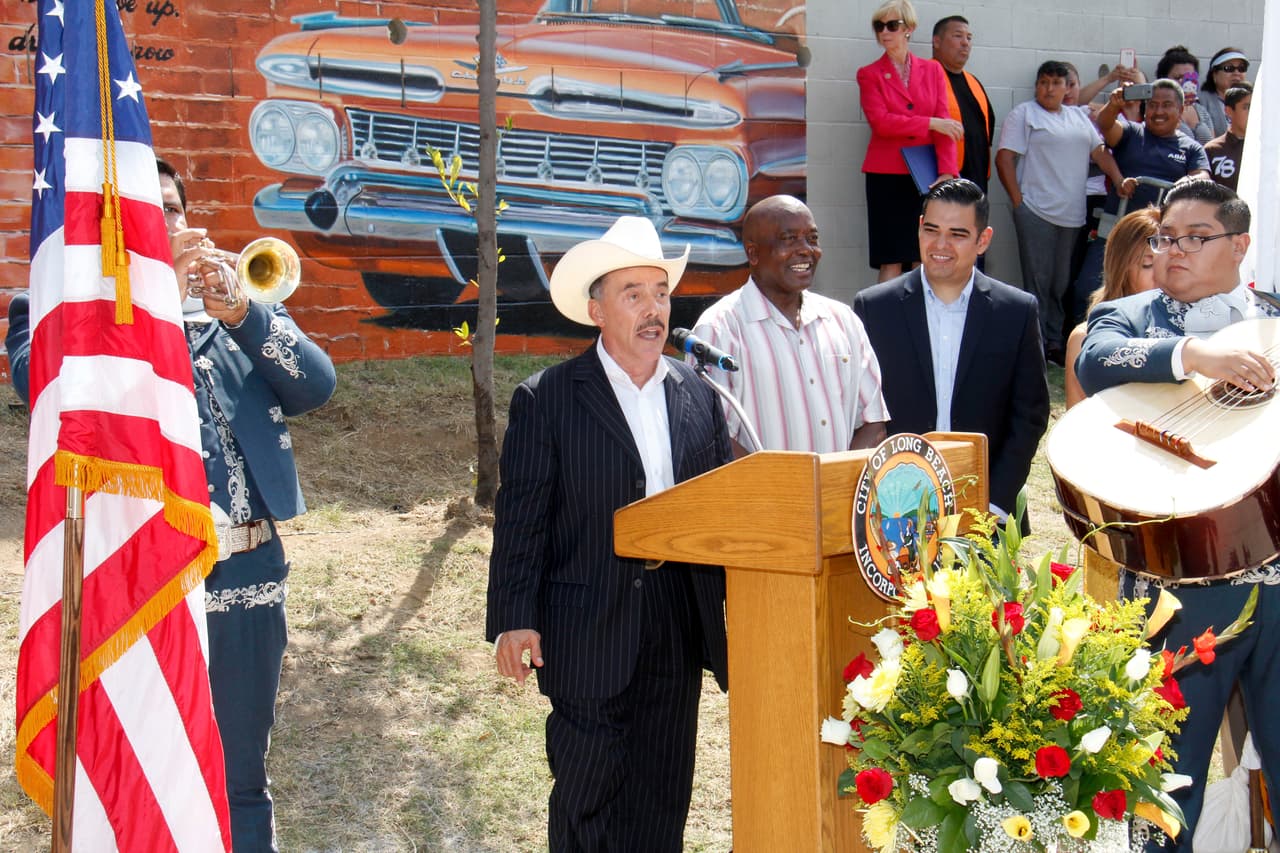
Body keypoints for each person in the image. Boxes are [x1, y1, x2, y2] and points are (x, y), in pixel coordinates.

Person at [6, 157, 337, 851]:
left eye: (174, 210)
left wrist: (245, 314)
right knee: (141, 777)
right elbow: (47, 388)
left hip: (245, 577)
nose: (170, 226)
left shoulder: (232, 308)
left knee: (241, 778)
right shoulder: (55, 309)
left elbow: (315, 385)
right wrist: (146, 302)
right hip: (136, 587)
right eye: (144, 216)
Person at [485, 216, 731, 852]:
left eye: (660, 292)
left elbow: (720, 510)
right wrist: (516, 618)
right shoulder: (549, 398)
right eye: (634, 294)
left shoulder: (698, 394)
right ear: (596, 309)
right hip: (586, 626)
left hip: (677, 621)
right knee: (588, 797)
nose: (654, 310)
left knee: (662, 795)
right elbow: (522, 521)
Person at [1075, 180, 1280, 848]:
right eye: (1167, 237)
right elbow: (1094, 360)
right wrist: (1195, 355)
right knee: (1166, 779)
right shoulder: (1130, 316)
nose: (1176, 251)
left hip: (1277, 577)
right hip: (1178, 587)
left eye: (1198, 237)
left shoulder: (1274, 324)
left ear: (1241, 245)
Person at [852, 179, 1049, 531]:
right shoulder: (874, 308)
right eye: (932, 230)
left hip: (987, 515)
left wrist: (995, 506)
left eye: (957, 234)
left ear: (983, 240)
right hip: (894, 513)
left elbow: (1029, 416)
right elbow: (861, 414)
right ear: (918, 229)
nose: (940, 245)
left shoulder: (1015, 311)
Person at [690, 195, 889, 455]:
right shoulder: (718, 329)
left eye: (812, 238)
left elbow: (874, 423)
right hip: (763, 495)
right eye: (789, 239)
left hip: (837, 494)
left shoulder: (844, 321)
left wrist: (834, 483)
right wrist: (785, 489)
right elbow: (713, 438)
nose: (806, 249)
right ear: (753, 253)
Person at [995, 60, 1128, 364]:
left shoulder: (1078, 118)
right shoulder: (1025, 114)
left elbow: (1100, 153)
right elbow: (1004, 159)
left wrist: (1119, 179)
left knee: (1060, 283)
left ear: (1068, 87)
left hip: (1072, 215)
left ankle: (1054, 342)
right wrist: (1019, 203)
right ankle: (1036, 346)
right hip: (1036, 211)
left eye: (1056, 83)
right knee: (1038, 282)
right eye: (1043, 82)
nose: (1049, 89)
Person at [1072, 79, 1210, 314]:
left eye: (1166, 105)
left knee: (1148, 295)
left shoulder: (1191, 147)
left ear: (1180, 110)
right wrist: (1115, 104)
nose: (1158, 111)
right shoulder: (1133, 133)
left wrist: (1178, 187)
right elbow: (1106, 124)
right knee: (1087, 290)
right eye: (1153, 105)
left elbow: (1202, 177)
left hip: (1160, 241)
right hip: (1116, 232)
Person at [857, 0, 961, 282]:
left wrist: (947, 172)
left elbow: (946, 125)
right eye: (879, 26)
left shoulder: (933, 70)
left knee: (922, 257)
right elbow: (881, 122)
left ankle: (917, 323)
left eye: (892, 25)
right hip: (886, 176)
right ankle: (880, 323)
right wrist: (929, 123)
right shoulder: (869, 74)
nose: (885, 32)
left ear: (909, 29)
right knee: (890, 259)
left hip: (925, 177)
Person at [1063, 207, 1160, 408]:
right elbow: (1078, 423)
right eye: (1148, 265)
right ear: (1121, 269)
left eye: (1169, 264)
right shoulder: (1085, 337)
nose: (1161, 275)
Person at [931, 15, 994, 193]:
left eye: (969, 37)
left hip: (976, 185)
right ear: (936, 41)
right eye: (958, 36)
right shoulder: (922, 78)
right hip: (939, 184)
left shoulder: (975, 83)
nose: (965, 43)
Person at [1155, 45, 1215, 144]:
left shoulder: (1201, 110)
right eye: (1178, 78)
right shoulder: (1157, 110)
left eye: (1190, 78)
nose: (1185, 83)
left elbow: (1213, 146)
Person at [1204, 82, 1252, 192]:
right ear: (1229, 111)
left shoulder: (1270, 150)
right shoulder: (1212, 150)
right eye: (1247, 107)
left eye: (1256, 107)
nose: (1253, 112)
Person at [1199, 48, 1250, 139]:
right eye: (1229, 68)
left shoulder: (1255, 100)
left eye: (1241, 68)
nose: (1236, 73)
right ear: (1214, 74)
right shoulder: (1201, 101)